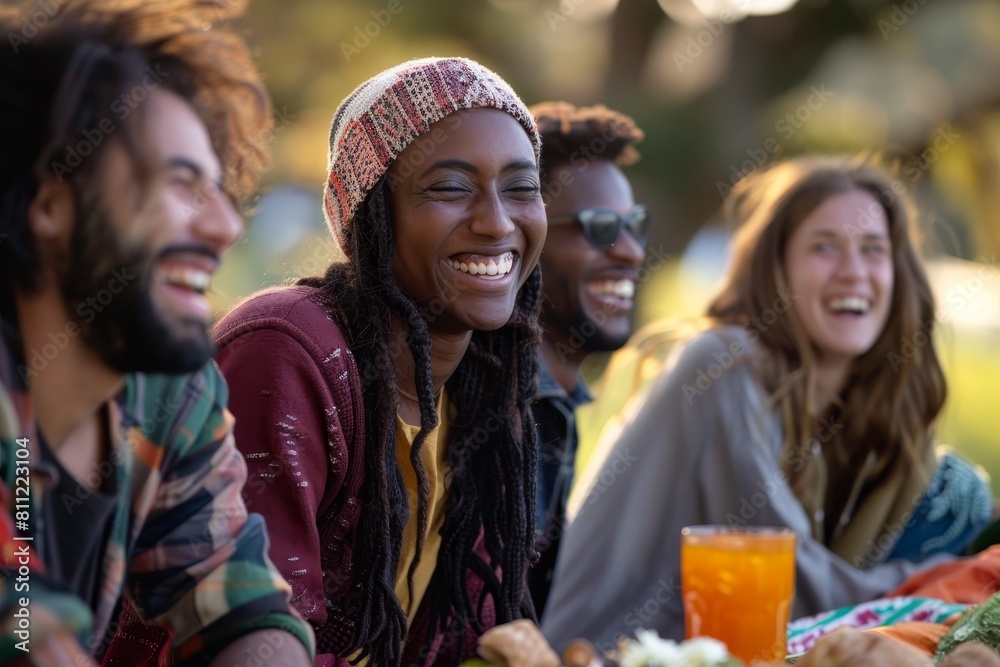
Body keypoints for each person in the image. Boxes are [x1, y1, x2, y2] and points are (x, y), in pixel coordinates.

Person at [541, 155, 994, 653]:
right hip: (602, 656)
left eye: (872, 249)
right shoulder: (721, 365)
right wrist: (959, 575)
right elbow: (789, 588)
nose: (853, 272)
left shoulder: (850, 409)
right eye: (825, 248)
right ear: (775, 269)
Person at [210, 58, 560, 667]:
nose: (497, 221)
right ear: (371, 216)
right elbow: (253, 637)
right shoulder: (286, 352)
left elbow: (465, 638)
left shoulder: (484, 386)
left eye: (521, 187)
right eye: (450, 187)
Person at [0, 0, 314, 665]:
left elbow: (235, 595)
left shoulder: (168, 388)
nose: (226, 227)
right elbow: (23, 627)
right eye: (181, 183)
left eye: (222, 191)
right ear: (49, 202)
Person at [526, 102, 648, 617]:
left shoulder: (553, 401)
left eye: (635, 225)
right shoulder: (491, 406)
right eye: (599, 226)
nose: (632, 252)